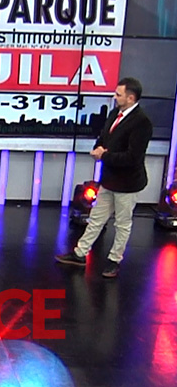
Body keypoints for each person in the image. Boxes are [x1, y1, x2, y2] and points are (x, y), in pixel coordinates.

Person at [56, 77, 152, 278]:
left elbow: (133, 157)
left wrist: (104, 155)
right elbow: (104, 138)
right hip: (108, 179)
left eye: (118, 94)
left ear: (131, 98)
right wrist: (98, 148)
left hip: (127, 183)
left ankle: (114, 260)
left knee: (122, 224)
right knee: (96, 219)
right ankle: (80, 253)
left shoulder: (142, 123)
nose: (114, 97)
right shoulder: (114, 114)